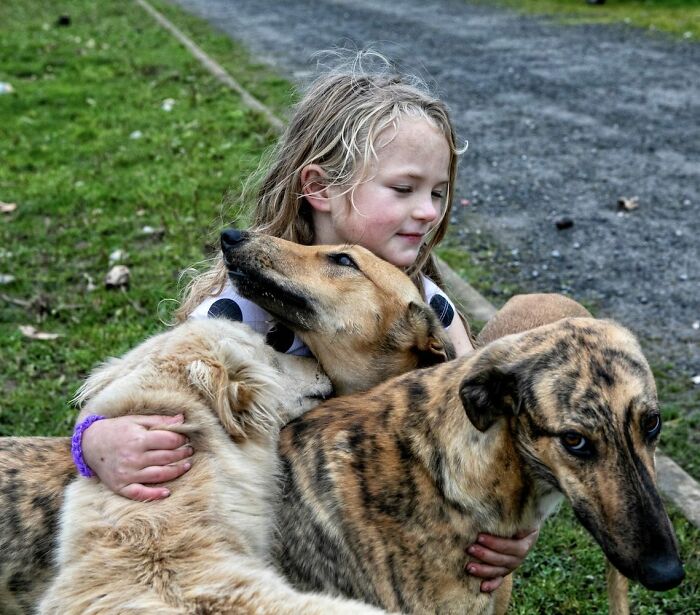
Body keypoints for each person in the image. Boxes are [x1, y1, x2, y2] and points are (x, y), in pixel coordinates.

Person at [77, 51, 538, 593]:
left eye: (437, 193)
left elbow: (485, 431)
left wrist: (513, 524)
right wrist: (95, 442)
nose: (429, 212)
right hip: (275, 543)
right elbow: (147, 398)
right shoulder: (245, 307)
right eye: (403, 189)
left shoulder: (425, 305)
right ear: (319, 187)